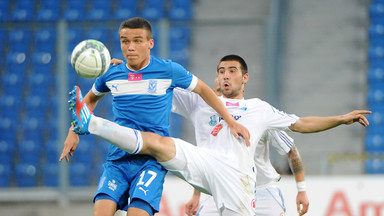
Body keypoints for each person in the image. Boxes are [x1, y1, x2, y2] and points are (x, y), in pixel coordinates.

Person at [62, 55, 370, 216]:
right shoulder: (200, 100)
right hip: (205, 168)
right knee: (160, 144)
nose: (225, 75)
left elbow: (301, 125)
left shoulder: (258, 109)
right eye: (221, 70)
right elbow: (157, 83)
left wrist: (340, 119)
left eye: (232, 70)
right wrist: (128, 73)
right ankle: (92, 123)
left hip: (240, 181)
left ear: (245, 78)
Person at [60, 18, 249, 216]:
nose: (130, 47)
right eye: (125, 41)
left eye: (137, 41)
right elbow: (88, 101)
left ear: (150, 43)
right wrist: (73, 132)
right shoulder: (112, 73)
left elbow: (203, 89)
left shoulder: (168, 70)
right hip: (118, 159)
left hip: (152, 160)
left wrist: (230, 121)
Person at [182, 77, 309, 216]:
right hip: (224, 189)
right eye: (217, 92)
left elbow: (291, 149)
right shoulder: (211, 122)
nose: (219, 97)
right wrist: (196, 195)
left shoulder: (257, 116)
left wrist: (301, 190)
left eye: (224, 91)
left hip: (262, 193)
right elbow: (206, 161)